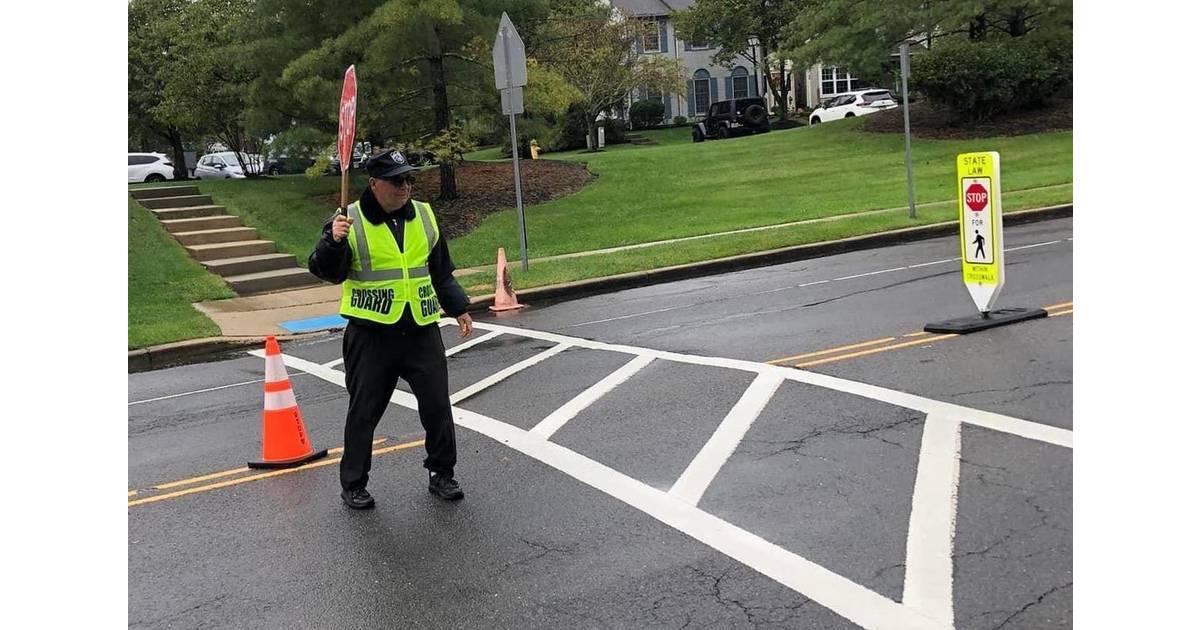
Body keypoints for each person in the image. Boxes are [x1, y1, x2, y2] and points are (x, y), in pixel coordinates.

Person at [308, 149, 474, 509]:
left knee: (437, 407)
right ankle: (353, 483)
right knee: (364, 412)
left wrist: (459, 307)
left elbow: (439, 270)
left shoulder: (425, 216)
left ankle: (442, 473)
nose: (405, 186)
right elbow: (326, 271)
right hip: (371, 334)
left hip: (419, 328)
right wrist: (332, 242)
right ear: (374, 184)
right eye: (397, 180)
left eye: (409, 179)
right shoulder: (347, 219)